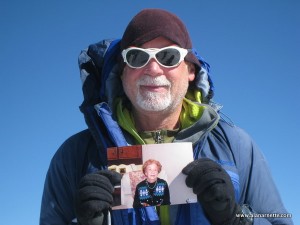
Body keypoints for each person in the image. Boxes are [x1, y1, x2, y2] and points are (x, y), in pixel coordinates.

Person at [40, 8, 294, 225]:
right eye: (137, 57)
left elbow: (276, 218)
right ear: (122, 72)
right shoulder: (75, 156)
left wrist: (237, 218)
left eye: (168, 57)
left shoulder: (236, 146)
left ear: (190, 70)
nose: (153, 68)